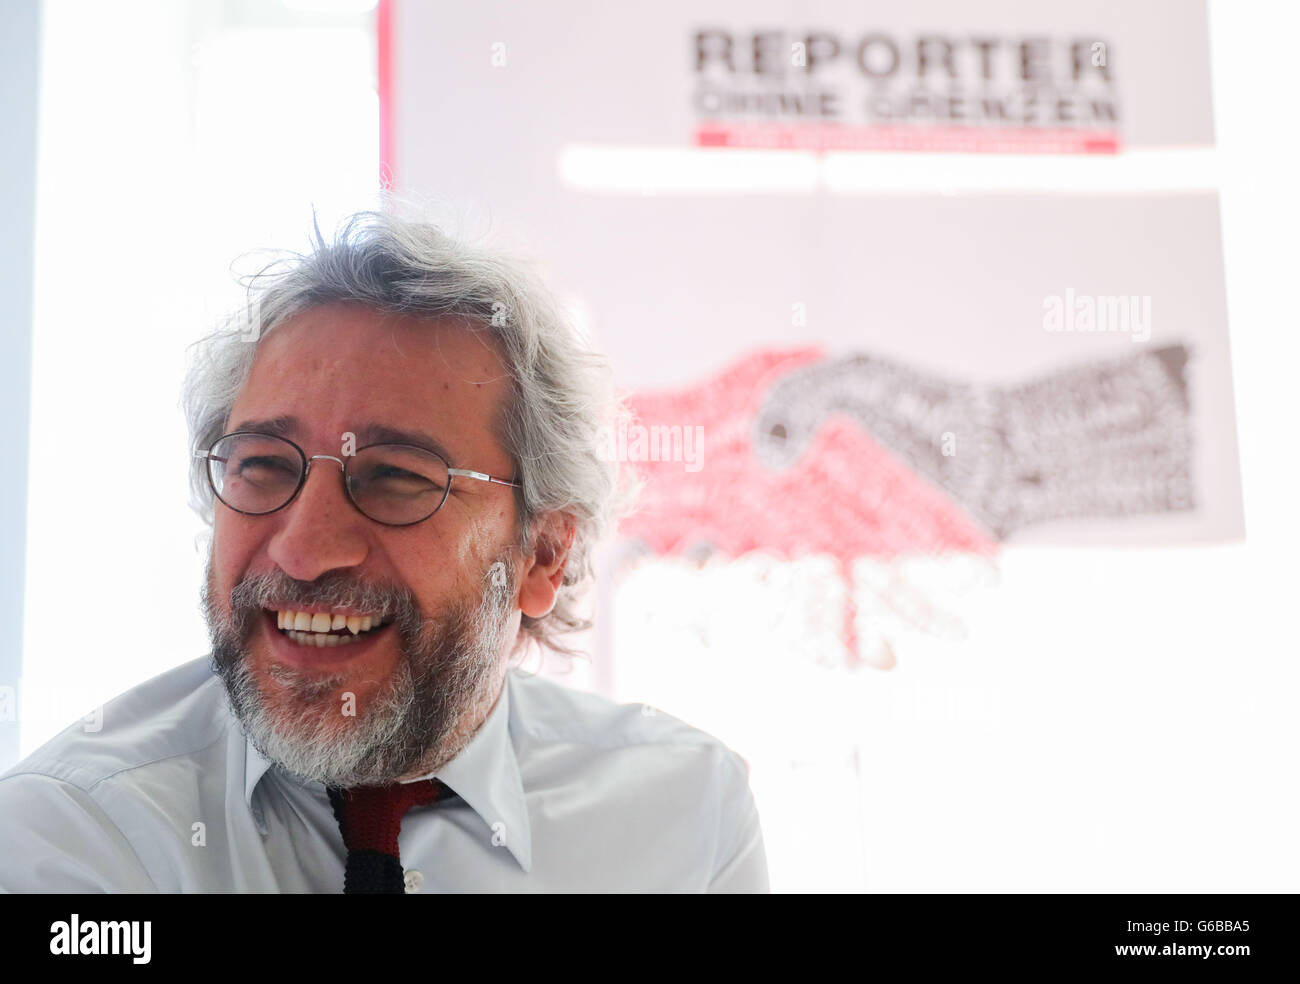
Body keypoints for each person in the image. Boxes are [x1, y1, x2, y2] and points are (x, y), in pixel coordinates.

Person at [0, 208, 769, 892]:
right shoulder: (78, 832)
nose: (303, 551)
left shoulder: (686, 816)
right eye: (264, 465)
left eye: (397, 476)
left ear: (542, 556)